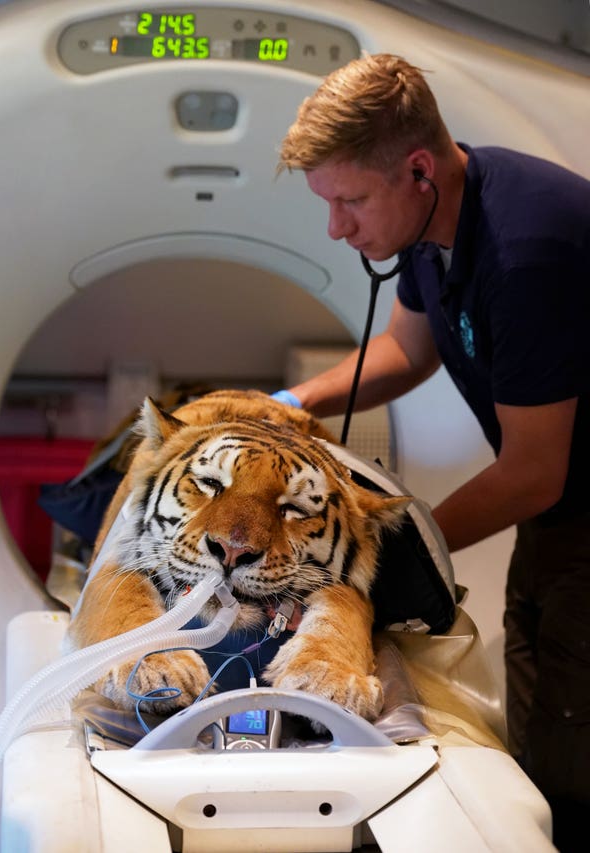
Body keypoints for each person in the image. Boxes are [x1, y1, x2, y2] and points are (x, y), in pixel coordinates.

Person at [272, 53, 590, 851]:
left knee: (572, 757)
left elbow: (533, 471)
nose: (337, 228)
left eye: (349, 200)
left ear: (417, 170)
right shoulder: (434, 224)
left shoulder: (524, 253)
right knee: (539, 728)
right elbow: (407, 350)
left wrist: (389, 551)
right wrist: (291, 406)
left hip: (574, 509)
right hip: (558, 524)